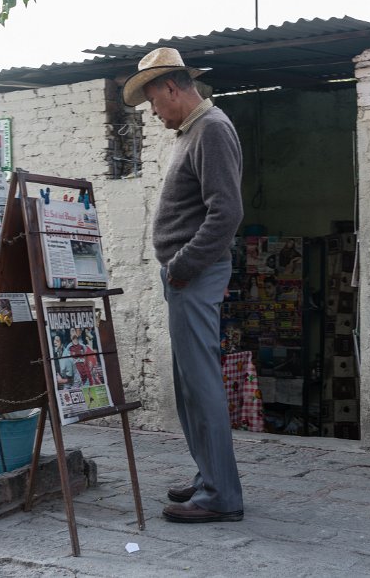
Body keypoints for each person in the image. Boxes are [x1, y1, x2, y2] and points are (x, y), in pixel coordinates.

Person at [122, 47, 245, 523]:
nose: (153, 114)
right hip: (186, 274)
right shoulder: (194, 130)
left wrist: (183, 265)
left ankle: (220, 495)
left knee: (202, 384)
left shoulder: (211, 129)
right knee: (189, 385)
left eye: (154, 102)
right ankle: (207, 476)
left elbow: (226, 213)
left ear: (172, 88)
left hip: (193, 273)